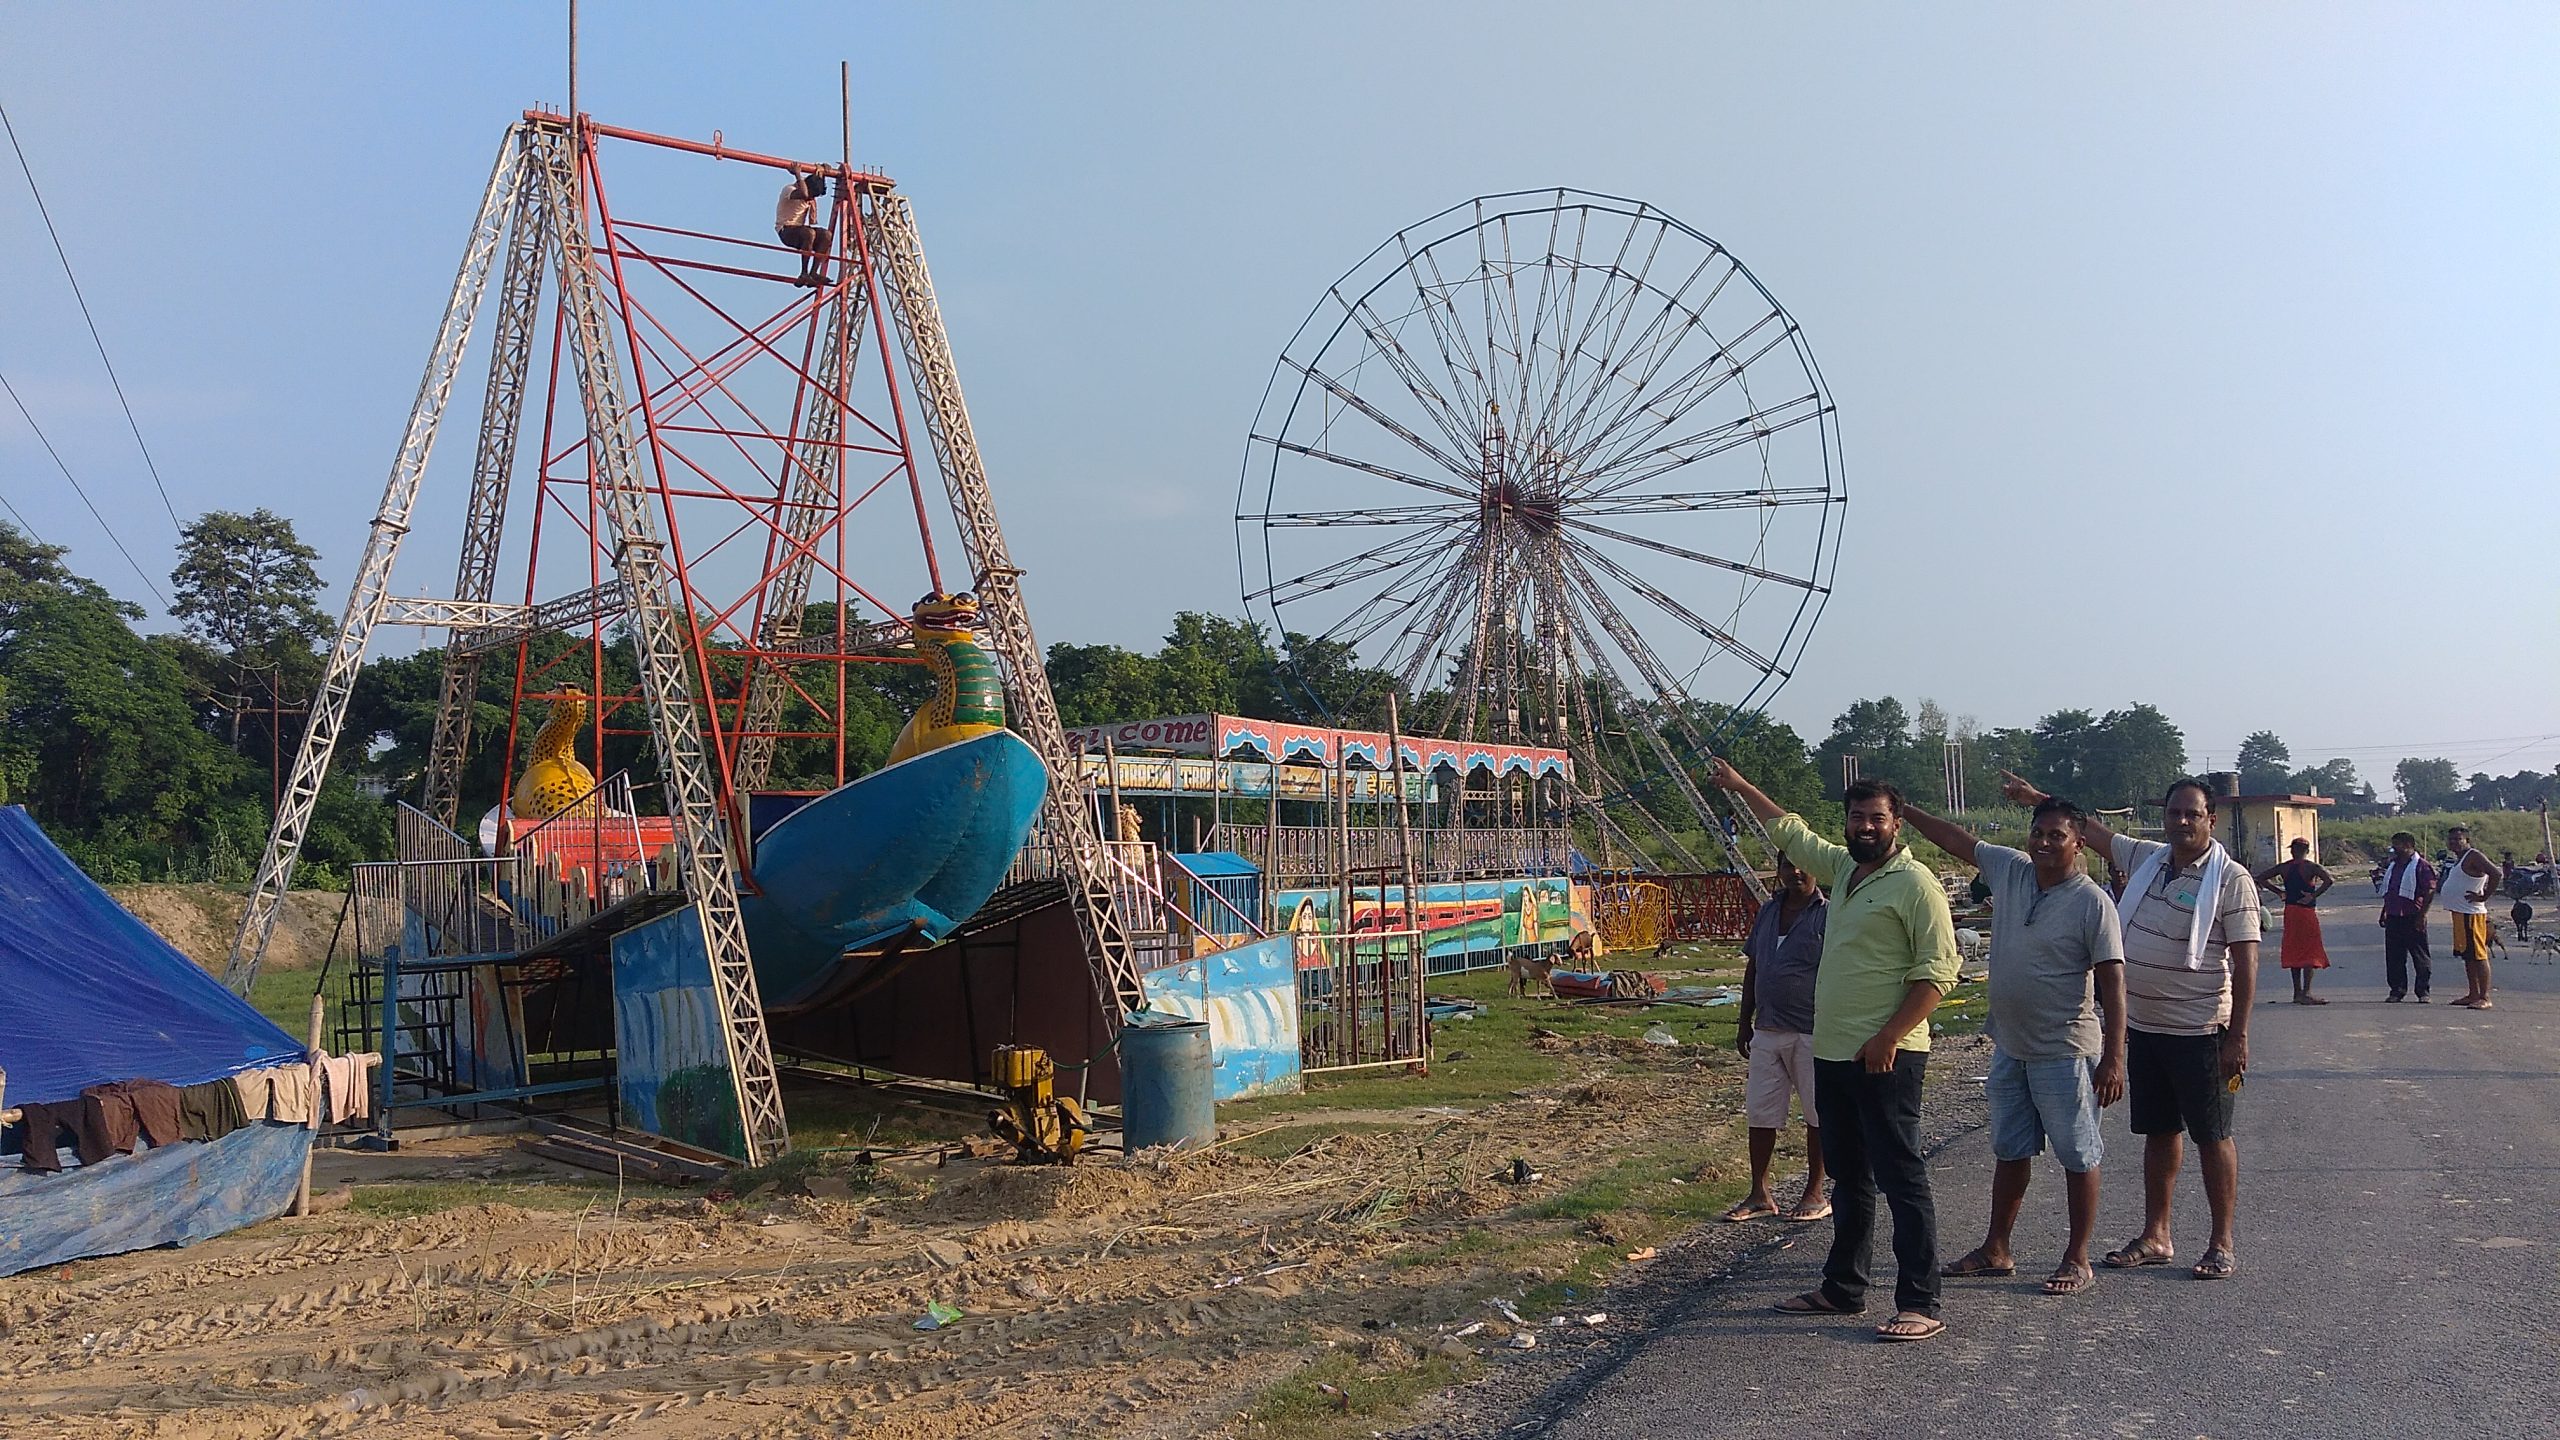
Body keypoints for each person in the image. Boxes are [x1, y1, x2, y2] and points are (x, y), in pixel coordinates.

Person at [1707, 759, 1961, 1343]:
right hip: (1834, 1051)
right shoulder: (1845, 872)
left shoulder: (1916, 885)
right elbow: (1790, 831)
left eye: (1877, 818)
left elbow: (1938, 974)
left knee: (1901, 1175)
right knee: (1849, 1175)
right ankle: (1843, 1287)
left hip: (1888, 1055)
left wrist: (1890, 1035)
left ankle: (1920, 1300)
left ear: (1897, 825)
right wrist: (1744, 786)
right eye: (1856, 817)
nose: (1865, 827)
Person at [2002, 772, 2260, 1281]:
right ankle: (2157, 1234)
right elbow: (2094, 834)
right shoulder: (2148, 859)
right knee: (2159, 1132)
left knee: (2213, 1135)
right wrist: (2037, 798)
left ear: (2211, 819)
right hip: (2145, 1026)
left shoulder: (2230, 880)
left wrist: (2239, 1035)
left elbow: (2248, 961)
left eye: (2193, 814)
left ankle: (2220, 1241)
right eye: (2174, 813)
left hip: (2202, 1028)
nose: (2182, 821)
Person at [1899, 796, 2127, 1298]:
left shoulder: (2092, 902)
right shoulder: (2012, 870)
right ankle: (1996, 1248)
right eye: (2038, 833)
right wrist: (1906, 809)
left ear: (2079, 843)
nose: (2044, 843)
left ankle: (2077, 1257)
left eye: (2057, 836)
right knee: (2010, 1150)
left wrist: (2115, 1056)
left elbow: (2113, 982)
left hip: (2065, 1050)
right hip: (2009, 1047)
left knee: (2078, 1155)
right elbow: (1956, 840)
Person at [1728, 853, 1832, 1226]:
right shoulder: (1769, 911)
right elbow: (1754, 965)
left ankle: (1815, 1192)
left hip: (1813, 1030)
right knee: (1760, 1113)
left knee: (1818, 1114)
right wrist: (1744, 1022)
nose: (1795, 871)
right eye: (1787, 865)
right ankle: (1759, 1193)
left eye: (1803, 863)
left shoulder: (1830, 914)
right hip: (1768, 1029)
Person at [2255, 839, 2335, 1005]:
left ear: (2293, 850)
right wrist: (2313, 895)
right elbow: (2329, 880)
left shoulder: (2284, 867)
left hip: (2290, 911)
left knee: (2294, 948)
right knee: (2310, 950)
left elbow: (2261, 878)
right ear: (2307, 849)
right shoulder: (2311, 867)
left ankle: (2297, 992)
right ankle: (2306, 992)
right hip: (2306, 912)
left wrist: (2279, 892)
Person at [2441, 826, 2503, 1009]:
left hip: (2471, 913)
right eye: (2451, 839)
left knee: (2478, 955)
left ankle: (2485, 996)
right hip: (2460, 913)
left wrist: (2484, 896)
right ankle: (2473, 993)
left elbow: (2496, 873)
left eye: (2457, 839)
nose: (2453, 843)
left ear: (2466, 840)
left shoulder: (2474, 856)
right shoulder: (2458, 860)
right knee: (2467, 955)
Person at [2378, 833, 2438, 1002]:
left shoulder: (2421, 866)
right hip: (2394, 916)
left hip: (2413, 916)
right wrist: (2384, 911)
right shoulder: (2393, 866)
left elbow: (2430, 891)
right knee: (2394, 956)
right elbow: (2390, 891)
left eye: (2396, 845)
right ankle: (2397, 990)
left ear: (2407, 845)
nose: (2393, 848)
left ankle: (2423, 992)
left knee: (2420, 956)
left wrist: (2422, 915)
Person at [774, 168, 832, 286]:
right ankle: (804, 273)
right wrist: (798, 174)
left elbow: (812, 187)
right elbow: (804, 193)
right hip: (786, 230)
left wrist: (823, 172)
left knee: (826, 235)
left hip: (800, 231)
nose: (810, 198)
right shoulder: (790, 190)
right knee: (809, 233)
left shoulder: (807, 194)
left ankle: (814, 272)